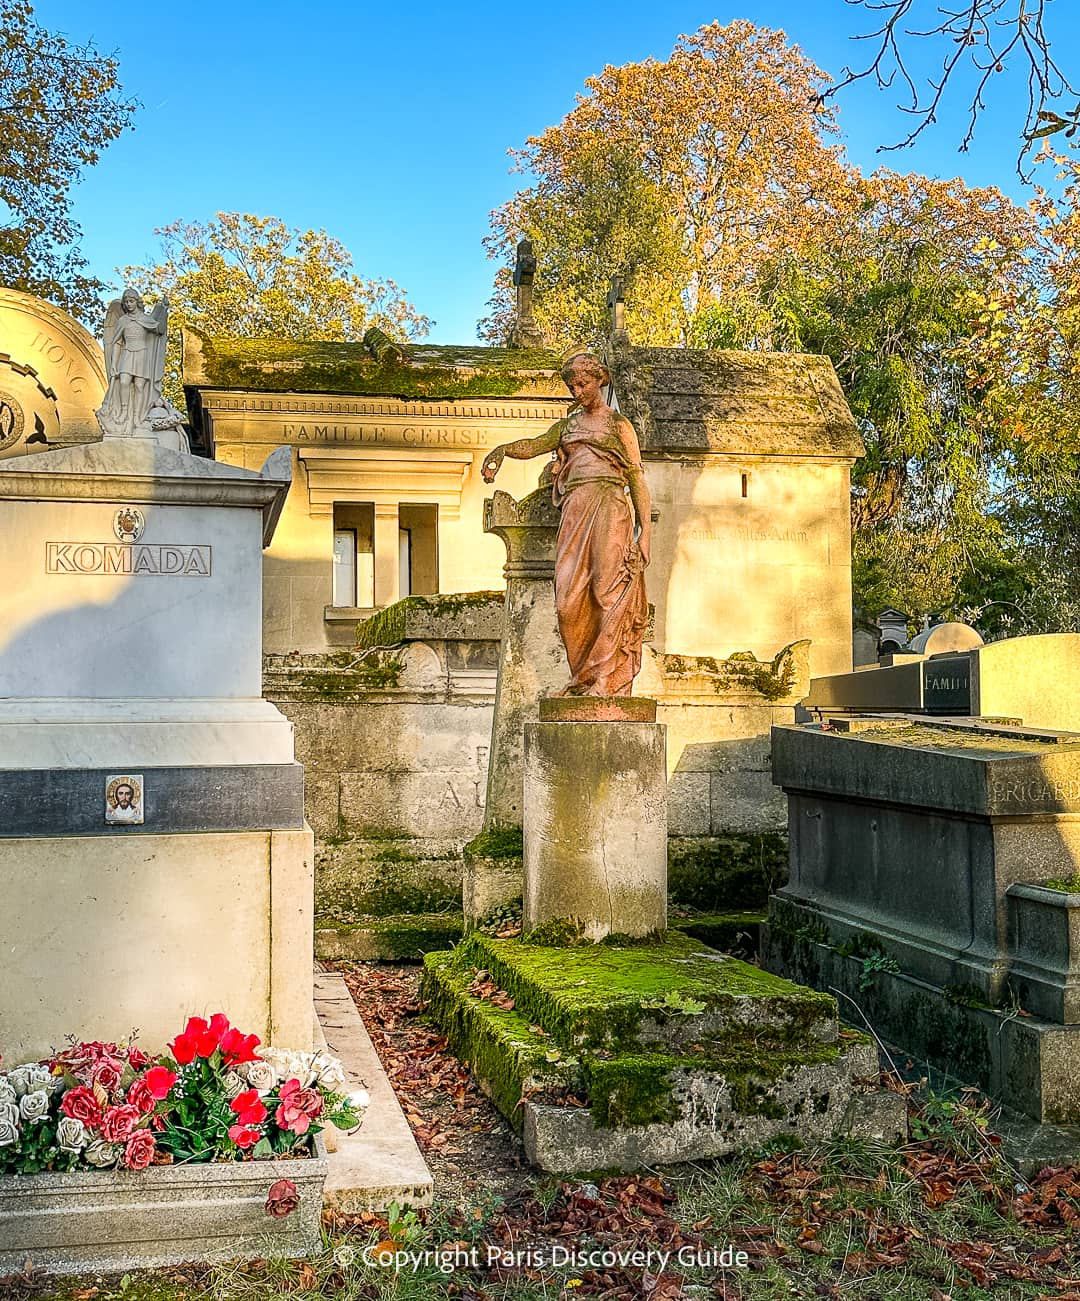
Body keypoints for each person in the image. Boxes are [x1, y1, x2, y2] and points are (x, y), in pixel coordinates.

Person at [482, 353, 651, 697]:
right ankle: (583, 678)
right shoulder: (568, 427)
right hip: (575, 509)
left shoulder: (619, 426)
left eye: (583, 384)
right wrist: (500, 451)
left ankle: (605, 679)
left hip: (609, 507)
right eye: (572, 385)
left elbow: (635, 477)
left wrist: (644, 532)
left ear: (599, 381)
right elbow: (532, 446)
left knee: (607, 591)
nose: (576, 391)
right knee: (567, 600)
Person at [98, 289, 168, 437]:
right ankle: (124, 412)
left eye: (131, 301)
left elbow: (159, 330)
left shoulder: (145, 319)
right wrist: (114, 363)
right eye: (127, 302)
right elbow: (117, 342)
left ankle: (137, 417)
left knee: (139, 385)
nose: (129, 304)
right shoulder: (123, 320)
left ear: (137, 302)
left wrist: (164, 310)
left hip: (142, 354)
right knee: (124, 381)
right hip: (127, 353)